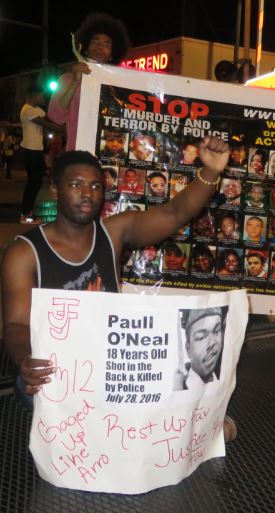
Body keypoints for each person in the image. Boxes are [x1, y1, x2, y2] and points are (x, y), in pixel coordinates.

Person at [1, 136, 233, 427]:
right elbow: (15, 325)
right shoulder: (24, 252)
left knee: (178, 379)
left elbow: (175, 213)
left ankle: (187, 430)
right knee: (88, 420)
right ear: (55, 190)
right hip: (55, 373)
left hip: (109, 367)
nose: (87, 193)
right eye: (76, 185)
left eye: (95, 186)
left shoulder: (113, 233)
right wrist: (27, 360)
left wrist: (210, 171)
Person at [48, 12, 131, 151]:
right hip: (77, 154)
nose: (100, 46)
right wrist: (75, 82)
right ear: (85, 48)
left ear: (112, 54)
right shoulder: (67, 79)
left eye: (107, 44)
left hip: (110, 157)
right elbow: (55, 116)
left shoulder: (119, 85)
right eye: (95, 41)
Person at [19, 84, 63, 224]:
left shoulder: (36, 109)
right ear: (34, 96)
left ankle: (28, 213)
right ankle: (25, 215)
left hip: (36, 150)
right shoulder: (27, 110)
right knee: (33, 183)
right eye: (40, 95)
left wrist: (61, 123)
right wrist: (62, 130)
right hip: (30, 151)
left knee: (36, 182)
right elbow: (46, 124)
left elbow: (50, 119)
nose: (42, 98)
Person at [177, 308, 225, 392]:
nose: (212, 342)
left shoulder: (225, 379)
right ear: (188, 349)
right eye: (201, 337)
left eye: (217, 331)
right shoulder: (178, 388)